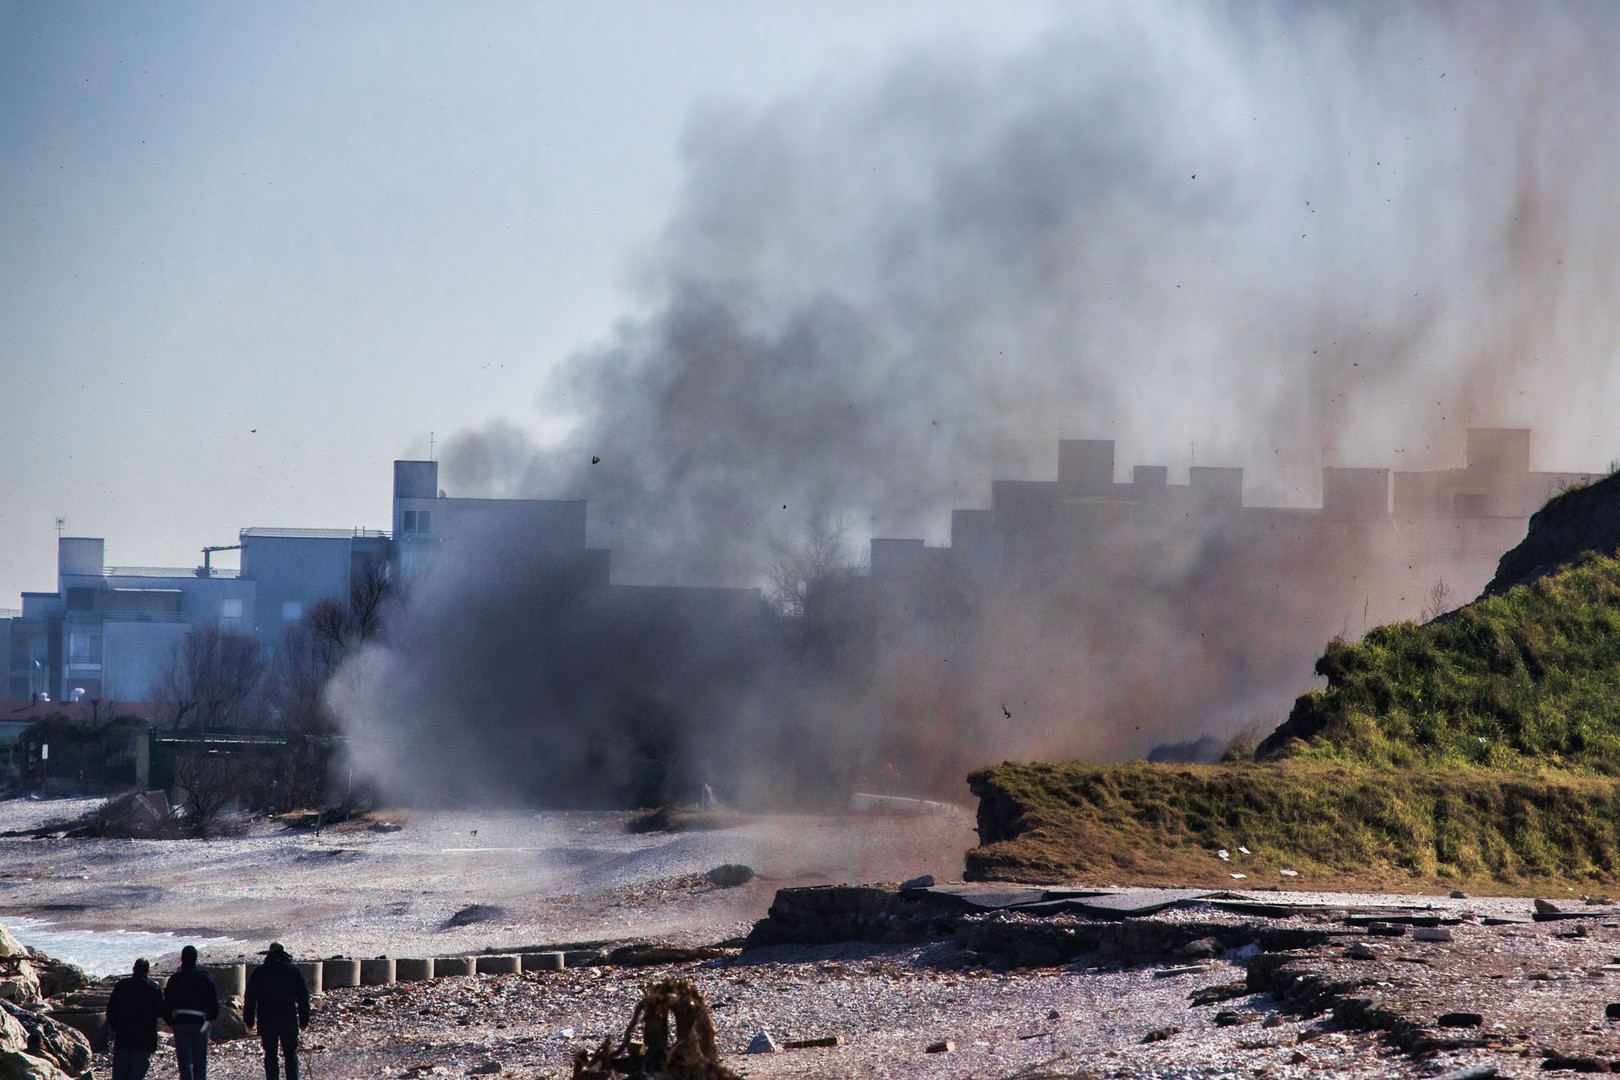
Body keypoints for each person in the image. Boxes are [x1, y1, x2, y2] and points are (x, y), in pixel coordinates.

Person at [243, 942, 310, 1080]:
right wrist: (304, 1020)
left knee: (270, 1055)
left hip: (267, 1020)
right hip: (288, 1019)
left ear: (269, 953)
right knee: (291, 1054)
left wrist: (249, 1020)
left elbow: (250, 997)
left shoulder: (259, 972)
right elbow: (303, 997)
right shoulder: (293, 971)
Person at [163, 945, 220, 1080]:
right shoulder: (205, 977)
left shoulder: (175, 979)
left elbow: (167, 1003)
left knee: (184, 1063)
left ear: (182, 959)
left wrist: (170, 1021)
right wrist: (211, 1019)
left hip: (181, 1022)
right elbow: (213, 1002)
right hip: (201, 1022)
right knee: (200, 1062)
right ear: (196, 959)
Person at [105, 957, 164, 1080]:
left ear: (133, 969)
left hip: (123, 1035)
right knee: (137, 1074)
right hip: (144, 1037)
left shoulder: (121, 986)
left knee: (120, 1074)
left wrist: (116, 1027)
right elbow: (160, 1011)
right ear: (148, 972)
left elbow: (110, 1010)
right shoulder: (153, 988)